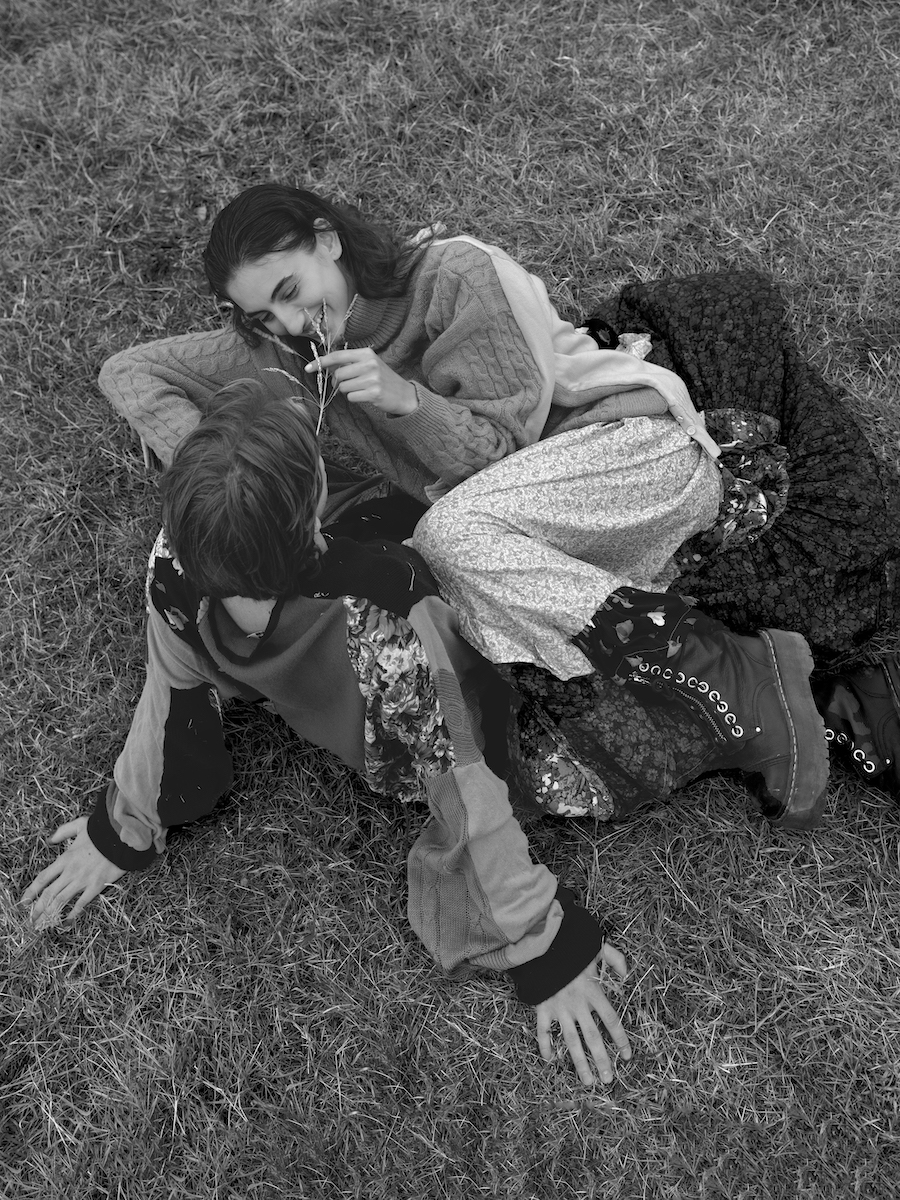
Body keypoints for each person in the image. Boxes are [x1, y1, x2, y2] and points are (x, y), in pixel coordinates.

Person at [21, 383, 834, 1087]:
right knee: (588, 756)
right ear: (311, 512)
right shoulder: (382, 621)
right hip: (433, 692)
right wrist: (542, 948)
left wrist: (129, 824)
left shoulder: (176, 566)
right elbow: (463, 777)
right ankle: (750, 678)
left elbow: (174, 701)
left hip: (420, 653)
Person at [98, 185, 900, 789]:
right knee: (429, 587)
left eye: (289, 291)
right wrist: (233, 472)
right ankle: (718, 675)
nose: (286, 323)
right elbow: (130, 373)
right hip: (532, 530)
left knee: (446, 539)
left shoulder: (454, 276)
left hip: (627, 455)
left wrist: (408, 402)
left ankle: (732, 673)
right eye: (261, 316)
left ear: (328, 241)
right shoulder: (284, 350)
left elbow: (504, 452)